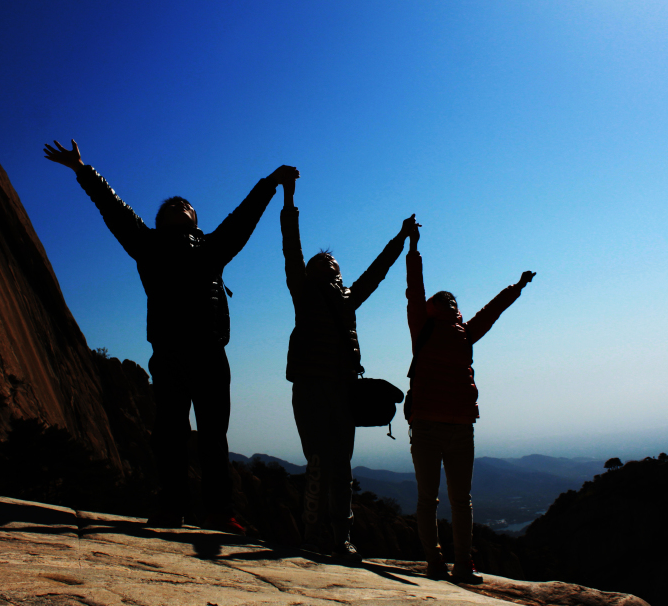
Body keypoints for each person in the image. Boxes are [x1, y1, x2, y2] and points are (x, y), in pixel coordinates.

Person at [44, 139, 298, 534]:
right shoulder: (147, 245)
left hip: (211, 354)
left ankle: (219, 512)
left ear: (195, 220)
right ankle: (171, 507)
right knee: (170, 436)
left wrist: (271, 182)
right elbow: (113, 209)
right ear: (160, 221)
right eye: (170, 207)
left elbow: (245, 215)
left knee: (213, 436)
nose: (178, 206)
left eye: (185, 206)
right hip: (169, 354)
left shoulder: (213, 247)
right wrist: (82, 169)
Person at [280, 178, 418, 561]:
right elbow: (292, 247)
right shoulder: (304, 294)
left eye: (333, 264)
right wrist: (289, 198)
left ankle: (341, 537)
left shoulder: (348, 300)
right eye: (319, 263)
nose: (327, 266)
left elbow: (377, 270)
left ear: (340, 275)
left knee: (339, 465)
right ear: (308, 272)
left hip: (340, 390)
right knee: (319, 462)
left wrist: (401, 238)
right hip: (308, 388)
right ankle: (312, 534)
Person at [405, 223, 534, 581]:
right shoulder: (423, 327)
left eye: (452, 298)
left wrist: (517, 287)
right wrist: (413, 247)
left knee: (460, 501)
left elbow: (492, 311)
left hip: (461, 426)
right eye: (440, 298)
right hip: (429, 425)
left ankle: (462, 564)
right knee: (429, 499)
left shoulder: (466, 333)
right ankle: (434, 563)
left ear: (458, 309)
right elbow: (414, 290)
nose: (447, 299)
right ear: (431, 307)